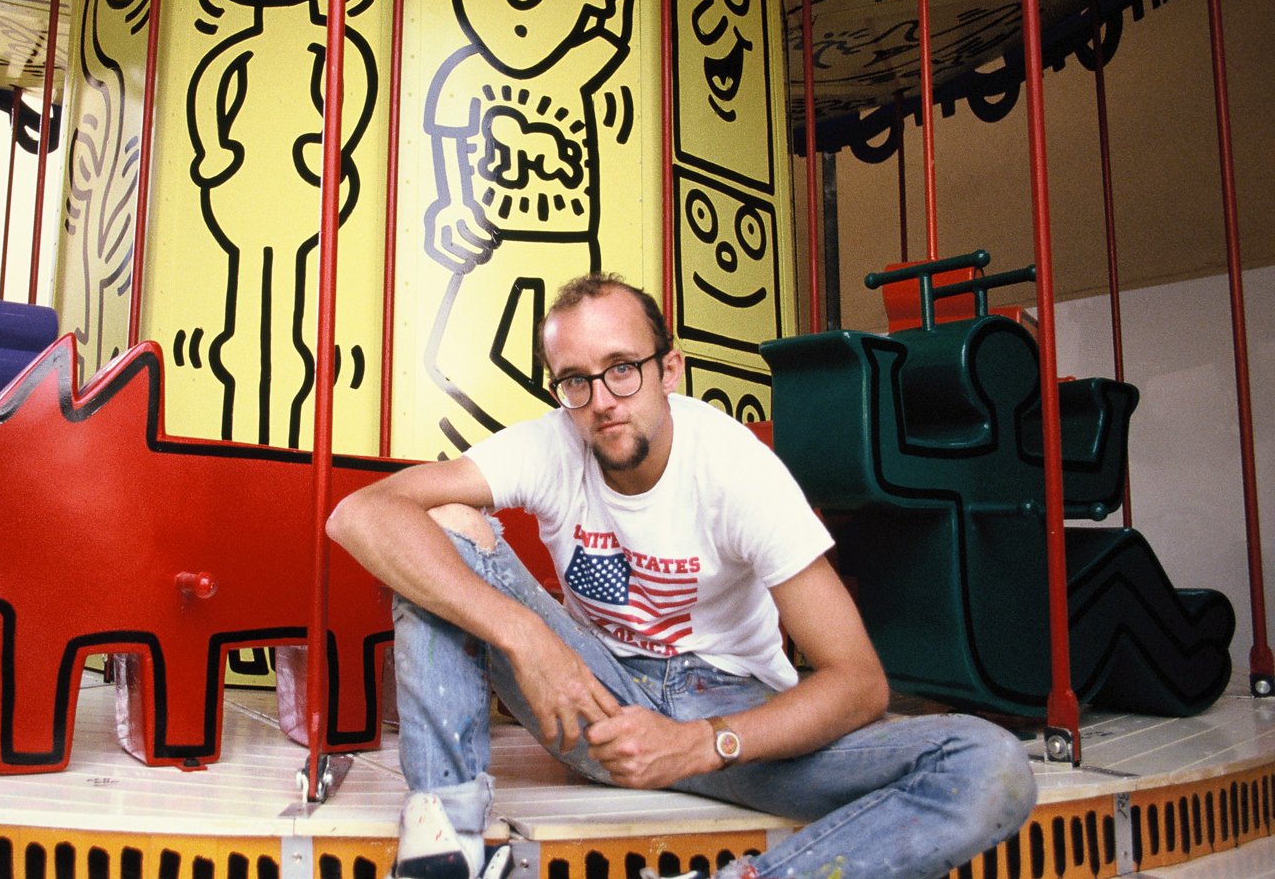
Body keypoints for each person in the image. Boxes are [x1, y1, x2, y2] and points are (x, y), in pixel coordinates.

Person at [327, 274, 1036, 879]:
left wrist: (699, 743)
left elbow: (858, 682)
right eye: (576, 380)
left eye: (623, 368)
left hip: (731, 722)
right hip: (598, 704)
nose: (602, 398)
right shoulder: (553, 441)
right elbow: (360, 515)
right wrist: (526, 637)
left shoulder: (736, 470)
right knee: (441, 521)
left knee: (987, 765)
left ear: (671, 370)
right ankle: (444, 845)